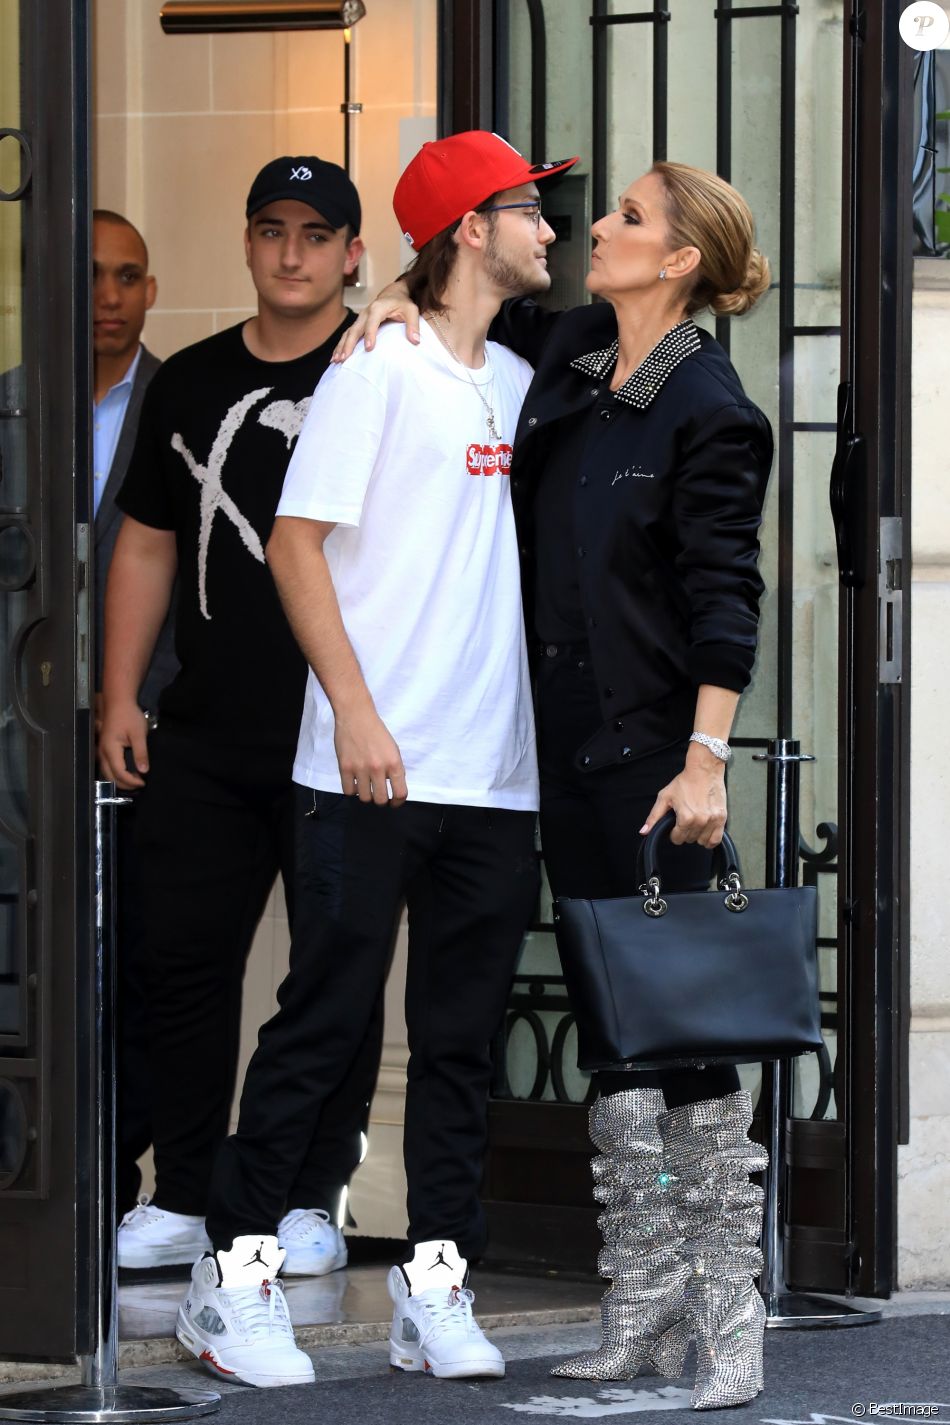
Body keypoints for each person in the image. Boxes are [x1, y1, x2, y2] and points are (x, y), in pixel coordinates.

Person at [342, 159, 774, 1411]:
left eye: (628, 218)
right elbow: (454, 289)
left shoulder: (710, 406)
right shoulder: (576, 353)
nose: (597, 227)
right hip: (556, 762)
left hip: (654, 772)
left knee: (686, 1051)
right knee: (614, 1052)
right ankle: (639, 1317)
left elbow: (721, 596)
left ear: (679, 258)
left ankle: (728, 1330)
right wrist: (380, 299)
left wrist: (706, 760)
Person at [175, 130, 577, 1391]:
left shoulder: (514, 381)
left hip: (493, 780)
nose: (549, 232)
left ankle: (435, 1287)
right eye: (529, 211)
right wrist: (351, 710)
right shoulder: (375, 372)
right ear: (472, 226)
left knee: (457, 1043)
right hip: (365, 768)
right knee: (321, 1022)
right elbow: (294, 545)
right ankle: (226, 1284)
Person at [99, 157, 383, 1278]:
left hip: (340, 736)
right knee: (182, 964)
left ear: (353, 252)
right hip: (206, 733)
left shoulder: (381, 369)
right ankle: (180, 1194)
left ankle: (311, 1197)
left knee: (331, 974)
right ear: (249, 243)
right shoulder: (193, 382)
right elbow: (147, 540)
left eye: (319, 234)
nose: (294, 253)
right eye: (273, 230)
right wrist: (121, 691)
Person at [92, 209, 177, 1216]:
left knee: (147, 964)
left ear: (151, 291)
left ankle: (120, 1179)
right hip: (24, 747)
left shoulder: (181, 402)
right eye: (91, 278)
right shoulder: (12, 408)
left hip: (156, 732)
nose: (107, 298)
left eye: (126, 278)